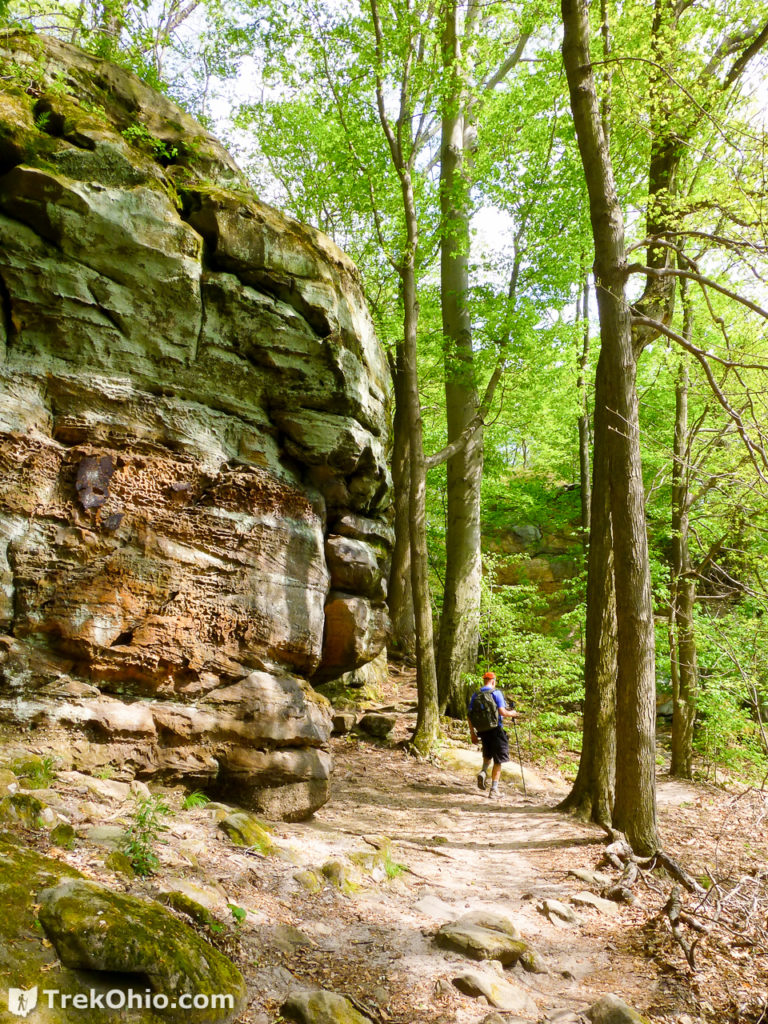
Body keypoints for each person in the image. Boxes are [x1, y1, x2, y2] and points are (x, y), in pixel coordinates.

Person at [468, 671, 519, 799]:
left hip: (482, 730)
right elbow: (502, 712)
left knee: (487, 754)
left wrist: (472, 734)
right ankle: (494, 790)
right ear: (493, 681)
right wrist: (513, 713)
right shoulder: (496, 693)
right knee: (498, 761)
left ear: (484, 681)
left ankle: (483, 771)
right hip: (496, 730)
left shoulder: (476, 694)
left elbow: (469, 715)